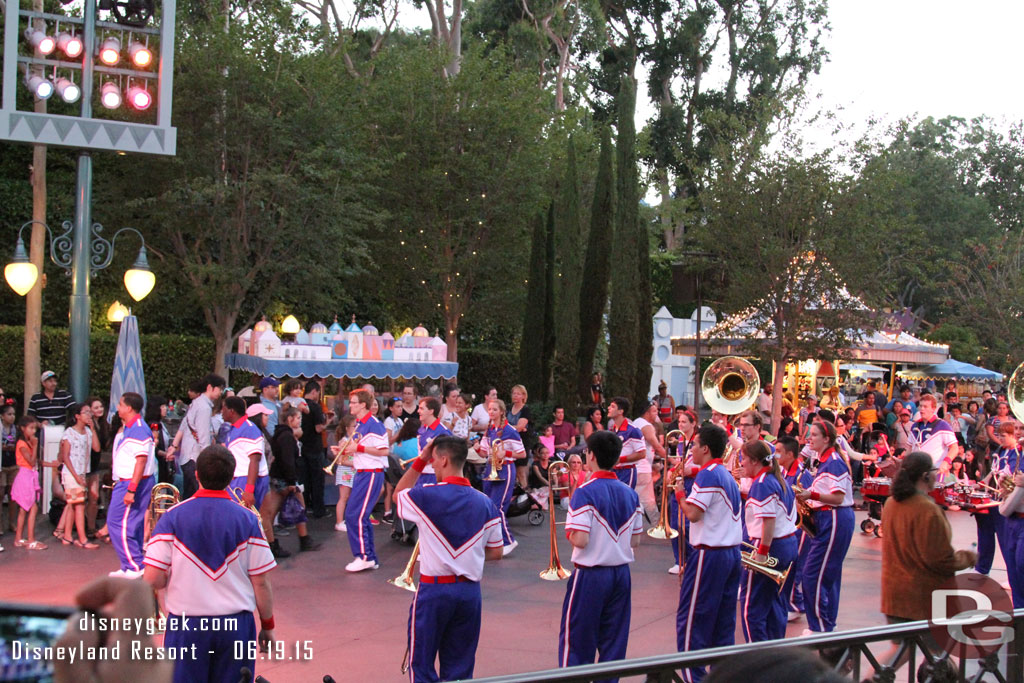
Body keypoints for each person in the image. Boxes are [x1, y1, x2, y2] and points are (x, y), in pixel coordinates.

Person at [144, 444, 277, 683]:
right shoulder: (247, 519)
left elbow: (152, 579)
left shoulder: (172, 516)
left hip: (187, 626)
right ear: (231, 475)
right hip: (236, 625)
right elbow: (261, 582)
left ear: (196, 475)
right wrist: (267, 625)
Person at [394, 436, 503, 682]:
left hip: (434, 591)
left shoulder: (426, 495)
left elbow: (398, 494)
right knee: (460, 667)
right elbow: (496, 552)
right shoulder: (485, 503)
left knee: (421, 663)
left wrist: (420, 460)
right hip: (469, 593)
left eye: (433, 461)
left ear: (443, 460)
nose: (432, 465)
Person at [878, 451, 978, 664]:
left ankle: (872, 679)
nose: (937, 475)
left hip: (895, 595)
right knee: (938, 655)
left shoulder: (891, 504)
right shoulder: (927, 510)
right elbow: (939, 559)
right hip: (924, 600)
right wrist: (968, 557)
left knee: (901, 649)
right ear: (925, 476)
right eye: (934, 471)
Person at [559, 430, 643, 673]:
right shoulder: (631, 493)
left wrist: (569, 530)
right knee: (614, 643)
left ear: (591, 455)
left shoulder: (584, 491)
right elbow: (635, 541)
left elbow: (580, 539)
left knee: (577, 641)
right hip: (621, 574)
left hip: (591, 575)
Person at [675, 424, 742, 683]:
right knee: (722, 624)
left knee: (693, 620)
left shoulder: (708, 474)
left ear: (705, 448)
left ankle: (694, 678)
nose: (691, 449)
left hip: (709, 554)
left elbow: (693, 513)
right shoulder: (724, 473)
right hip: (730, 553)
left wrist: (680, 494)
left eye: (694, 444)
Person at [794, 421, 854, 634]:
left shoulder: (834, 462)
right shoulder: (825, 460)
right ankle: (826, 624)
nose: (810, 438)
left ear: (827, 439)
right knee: (827, 574)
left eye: (815, 435)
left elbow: (838, 497)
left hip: (834, 518)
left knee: (814, 575)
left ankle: (820, 627)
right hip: (829, 518)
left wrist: (811, 495)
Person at [738, 440, 798, 643]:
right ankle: (775, 651)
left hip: (770, 547)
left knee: (751, 609)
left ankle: (757, 657)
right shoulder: (778, 480)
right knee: (774, 605)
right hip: (788, 544)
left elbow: (768, 521)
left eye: (744, 459)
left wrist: (762, 552)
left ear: (755, 461)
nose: (741, 463)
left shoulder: (762, 483)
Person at [337, 389, 390, 572]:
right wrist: (345, 451)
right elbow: (362, 449)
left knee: (355, 515)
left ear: (363, 405)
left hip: (371, 473)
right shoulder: (360, 424)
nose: (350, 405)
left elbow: (384, 451)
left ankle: (364, 556)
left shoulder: (373, 424)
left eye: (353, 402)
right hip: (362, 472)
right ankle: (368, 556)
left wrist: (358, 448)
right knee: (358, 515)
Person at [107, 392, 157, 577]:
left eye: (120, 404)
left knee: (118, 523)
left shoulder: (137, 429)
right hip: (132, 482)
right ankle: (129, 564)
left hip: (132, 483)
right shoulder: (132, 427)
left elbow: (141, 461)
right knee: (130, 524)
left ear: (128, 408)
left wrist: (131, 489)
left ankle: (134, 565)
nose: (118, 408)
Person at [262, 406, 321, 558]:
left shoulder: (281, 434)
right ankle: (300, 540)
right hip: (286, 478)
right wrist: (291, 481)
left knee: (271, 512)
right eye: (298, 418)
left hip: (280, 477)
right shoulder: (287, 437)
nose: (300, 421)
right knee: (293, 508)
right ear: (290, 419)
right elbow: (287, 460)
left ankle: (274, 542)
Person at [477, 398, 524, 554]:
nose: (491, 412)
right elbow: (485, 453)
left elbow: (522, 453)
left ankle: (508, 541)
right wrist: (477, 448)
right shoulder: (489, 429)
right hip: (490, 468)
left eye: (495, 410)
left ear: (502, 412)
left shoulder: (510, 430)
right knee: (488, 507)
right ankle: (493, 542)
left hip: (505, 469)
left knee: (498, 508)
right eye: (489, 409)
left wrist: (507, 453)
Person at [167, 373, 224, 500]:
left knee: (189, 496)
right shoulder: (204, 408)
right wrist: (208, 461)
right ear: (210, 387)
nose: (221, 392)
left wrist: (174, 445)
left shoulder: (196, 403)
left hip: (187, 457)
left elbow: (183, 425)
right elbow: (203, 438)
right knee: (197, 496)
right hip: (196, 458)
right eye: (220, 388)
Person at [777, 436, 813, 620]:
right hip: (790, 524)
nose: (776, 456)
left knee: (795, 566)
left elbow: (809, 502)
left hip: (800, 526)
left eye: (779, 452)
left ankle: (794, 604)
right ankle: (794, 601)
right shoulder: (784, 471)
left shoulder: (801, 474)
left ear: (790, 454)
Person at [57, 403, 100, 548]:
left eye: (89, 412)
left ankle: (68, 536)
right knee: (79, 505)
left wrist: (93, 429)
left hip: (82, 473)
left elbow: (96, 448)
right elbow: (66, 457)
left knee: (73, 504)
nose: (89, 415)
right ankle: (82, 538)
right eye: (85, 412)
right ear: (77, 416)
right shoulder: (69, 433)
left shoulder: (87, 432)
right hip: (72, 473)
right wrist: (75, 476)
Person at [12, 416, 55, 550]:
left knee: (24, 509)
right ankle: (30, 539)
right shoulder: (22, 444)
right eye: (31, 428)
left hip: (30, 475)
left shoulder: (29, 443)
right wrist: (35, 445)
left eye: (35, 428)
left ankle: (19, 538)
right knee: (32, 507)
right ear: (23, 428)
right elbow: (31, 461)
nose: (33, 431)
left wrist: (51, 464)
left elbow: (36, 462)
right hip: (25, 477)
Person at [222, 397, 271, 512]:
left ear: (231, 411)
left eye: (223, 409)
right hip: (238, 479)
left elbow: (255, 460)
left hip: (246, 480)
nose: (221, 412)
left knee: (244, 517)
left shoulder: (249, 430)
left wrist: (249, 490)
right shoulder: (234, 429)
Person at [667, 409, 698, 575]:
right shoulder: (680, 440)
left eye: (684, 422)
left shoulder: (698, 441)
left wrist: (690, 470)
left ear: (693, 424)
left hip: (692, 482)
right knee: (675, 523)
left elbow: (703, 466)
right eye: (679, 422)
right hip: (680, 481)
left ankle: (691, 559)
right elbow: (679, 460)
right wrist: (673, 469)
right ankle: (679, 560)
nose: (681, 425)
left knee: (687, 524)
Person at [908, 394, 959, 475]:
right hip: (916, 472)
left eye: (925, 407)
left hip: (935, 472)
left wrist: (946, 462)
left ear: (933, 408)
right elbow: (909, 448)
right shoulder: (914, 426)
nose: (922, 409)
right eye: (921, 406)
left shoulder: (942, 425)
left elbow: (954, 447)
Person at [299, 380, 328, 519]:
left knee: (304, 479)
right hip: (315, 448)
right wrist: (327, 422)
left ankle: (305, 506)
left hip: (302, 446)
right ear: (315, 391)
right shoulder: (315, 407)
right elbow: (318, 428)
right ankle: (319, 510)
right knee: (317, 480)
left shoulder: (299, 405)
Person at [633, 401, 666, 523]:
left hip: (636, 468)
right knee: (649, 501)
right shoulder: (646, 426)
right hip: (642, 468)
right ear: (647, 413)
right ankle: (657, 526)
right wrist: (671, 459)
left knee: (636, 499)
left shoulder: (636, 422)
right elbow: (657, 446)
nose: (657, 413)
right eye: (654, 411)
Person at [999, 462, 1024, 607]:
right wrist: (1008, 490)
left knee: (1021, 567)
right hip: (1013, 521)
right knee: (1014, 571)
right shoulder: (1018, 455)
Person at [85, 396, 111, 534]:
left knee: (94, 498)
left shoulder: (103, 425)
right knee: (87, 497)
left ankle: (91, 526)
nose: (99, 409)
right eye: (96, 407)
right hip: (86, 465)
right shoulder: (89, 426)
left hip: (95, 465)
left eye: (101, 407)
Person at [606, 397, 645, 489]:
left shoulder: (633, 430)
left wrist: (620, 460)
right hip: (614, 471)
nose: (608, 408)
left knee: (624, 499)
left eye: (612, 406)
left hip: (627, 471)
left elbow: (642, 453)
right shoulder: (613, 429)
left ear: (620, 411)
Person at [416, 396, 452, 487]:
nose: (418, 411)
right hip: (421, 473)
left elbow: (446, 456)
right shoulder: (422, 429)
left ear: (431, 411)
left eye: (421, 408)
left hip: (434, 475)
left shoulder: (442, 431)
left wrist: (425, 459)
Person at [508, 385, 534, 489]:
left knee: (521, 472)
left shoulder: (525, 410)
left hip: (521, 443)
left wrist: (508, 428)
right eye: (514, 393)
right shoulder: (508, 408)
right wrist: (515, 428)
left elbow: (519, 427)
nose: (515, 396)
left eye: (518, 394)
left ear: (523, 396)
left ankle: (525, 497)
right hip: (509, 443)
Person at [1, 403, 18, 534]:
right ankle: (0, 525)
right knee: (1, 495)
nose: (12, 417)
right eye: (9, 414)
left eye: (13, 414)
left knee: (13, 496)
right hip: (2, 465)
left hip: (13, 464)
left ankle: (12, 523)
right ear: (2, 416)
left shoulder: (15, 429)